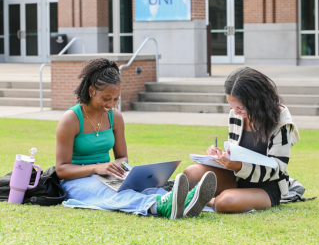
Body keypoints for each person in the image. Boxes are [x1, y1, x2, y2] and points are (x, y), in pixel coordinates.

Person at [55, 58, 217, 219]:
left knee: (143, 186)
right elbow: (61, 170)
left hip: (107, 174)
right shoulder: (71, 119)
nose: (111, 104)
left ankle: (184, 200)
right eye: (106, 98)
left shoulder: (115, 117)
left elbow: (122, 157)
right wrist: (96, 168)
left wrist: (119, 166)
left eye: (116, 99)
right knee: (111, 193)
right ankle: (159, 206)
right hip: (77, 180)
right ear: (91, 91)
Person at [183, 67, 300, 213]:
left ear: (258, 99)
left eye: (240, 107)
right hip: (236, 178)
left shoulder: (281, 122)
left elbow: (277, 169)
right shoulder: (236, 115)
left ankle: (200, 200)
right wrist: (221, 156)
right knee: (191, 173)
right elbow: (237, 152)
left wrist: (238, 166)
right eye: (232, 106)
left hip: (266, 186)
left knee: (225, 202)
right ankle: (188, 198)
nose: (236, 112)